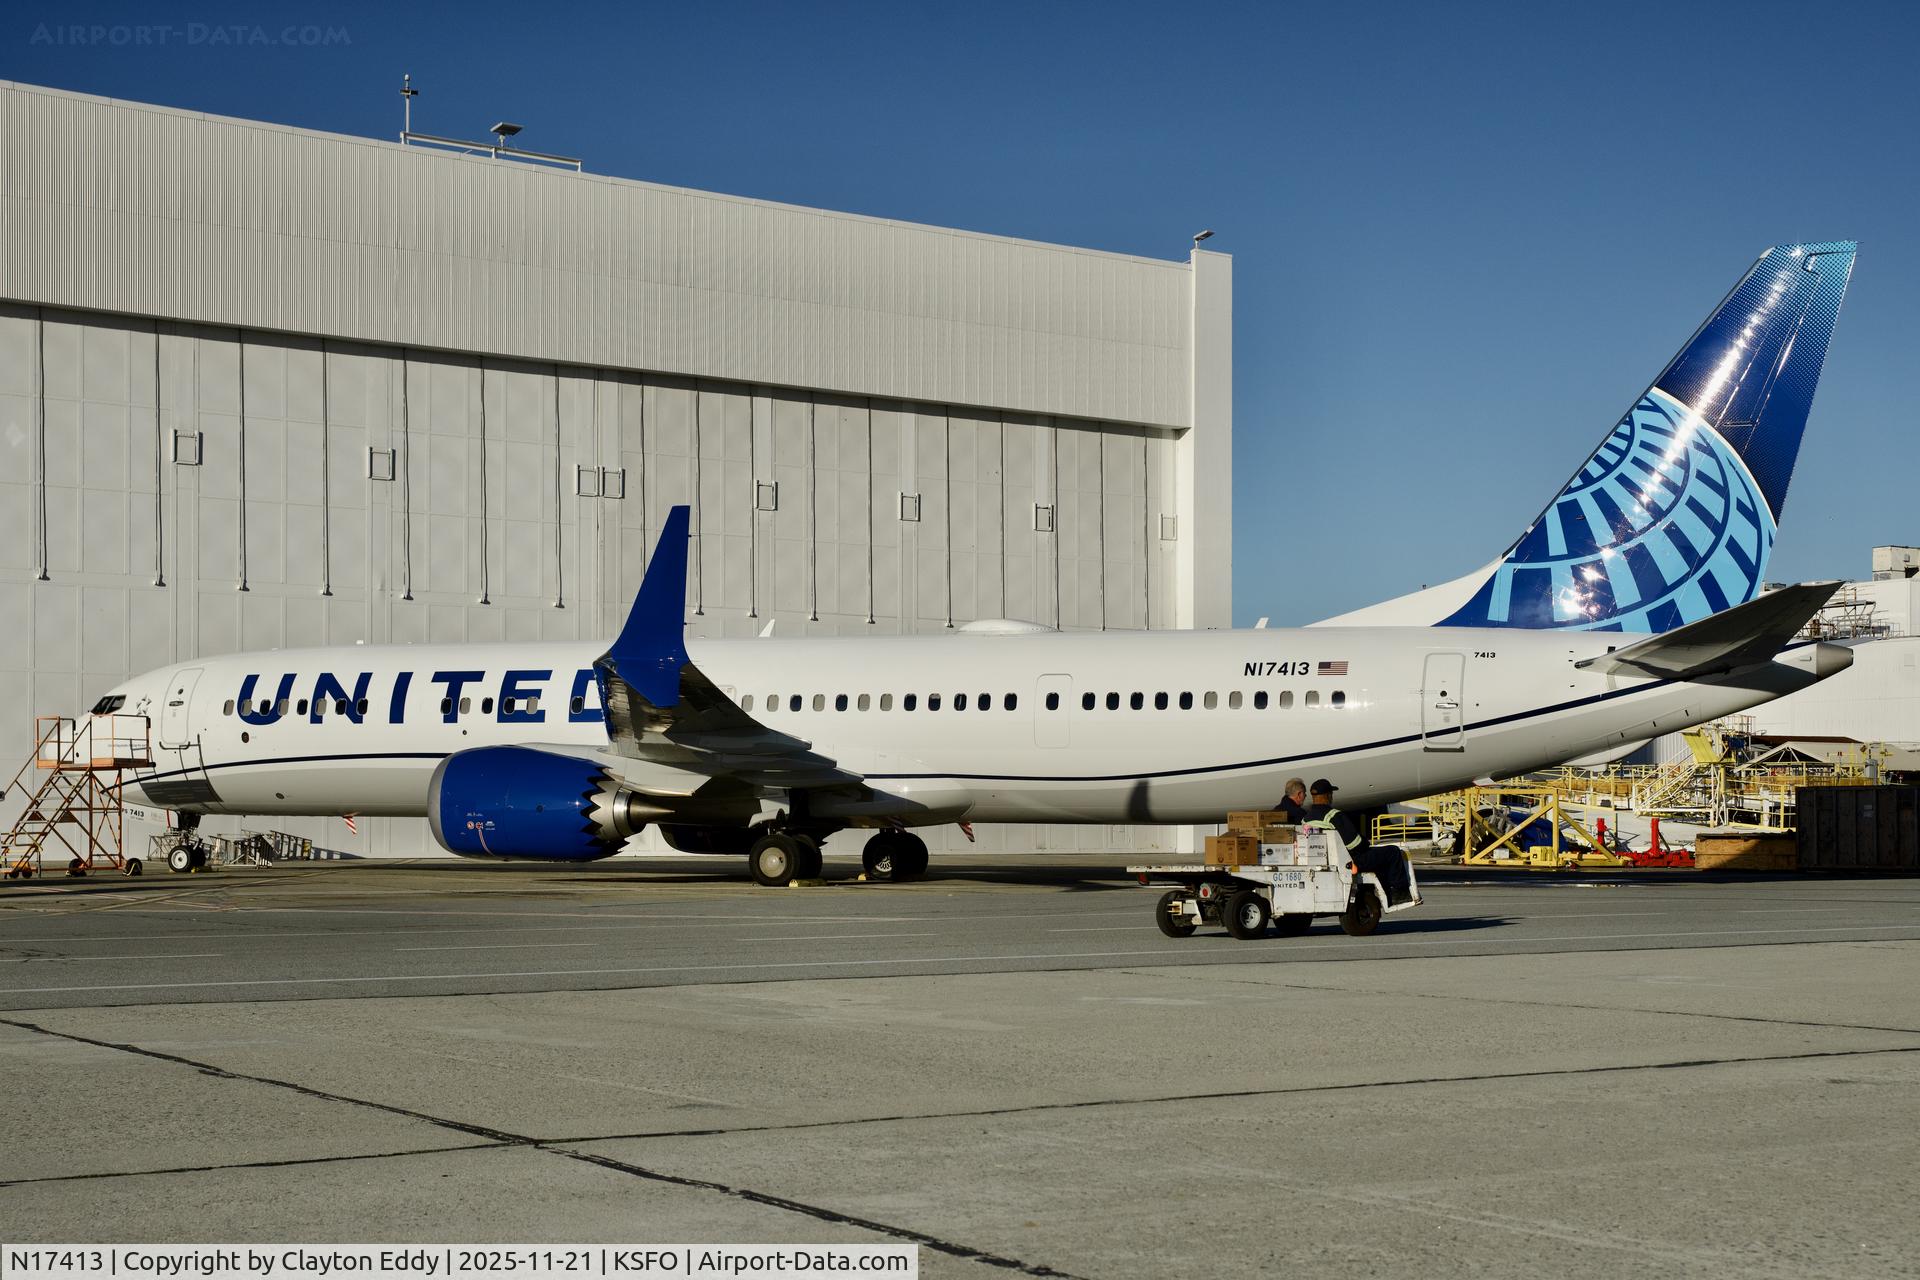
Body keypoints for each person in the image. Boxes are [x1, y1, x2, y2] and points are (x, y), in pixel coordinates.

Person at [1304, 778, 1412, 905]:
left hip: (1325, 860)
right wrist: (1365, 843)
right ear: (1328, 795)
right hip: (1349, 861)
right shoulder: (1334, 815)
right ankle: (1399, 893)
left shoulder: (1306, 819)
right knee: (1393, 852)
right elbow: (1354, 844)